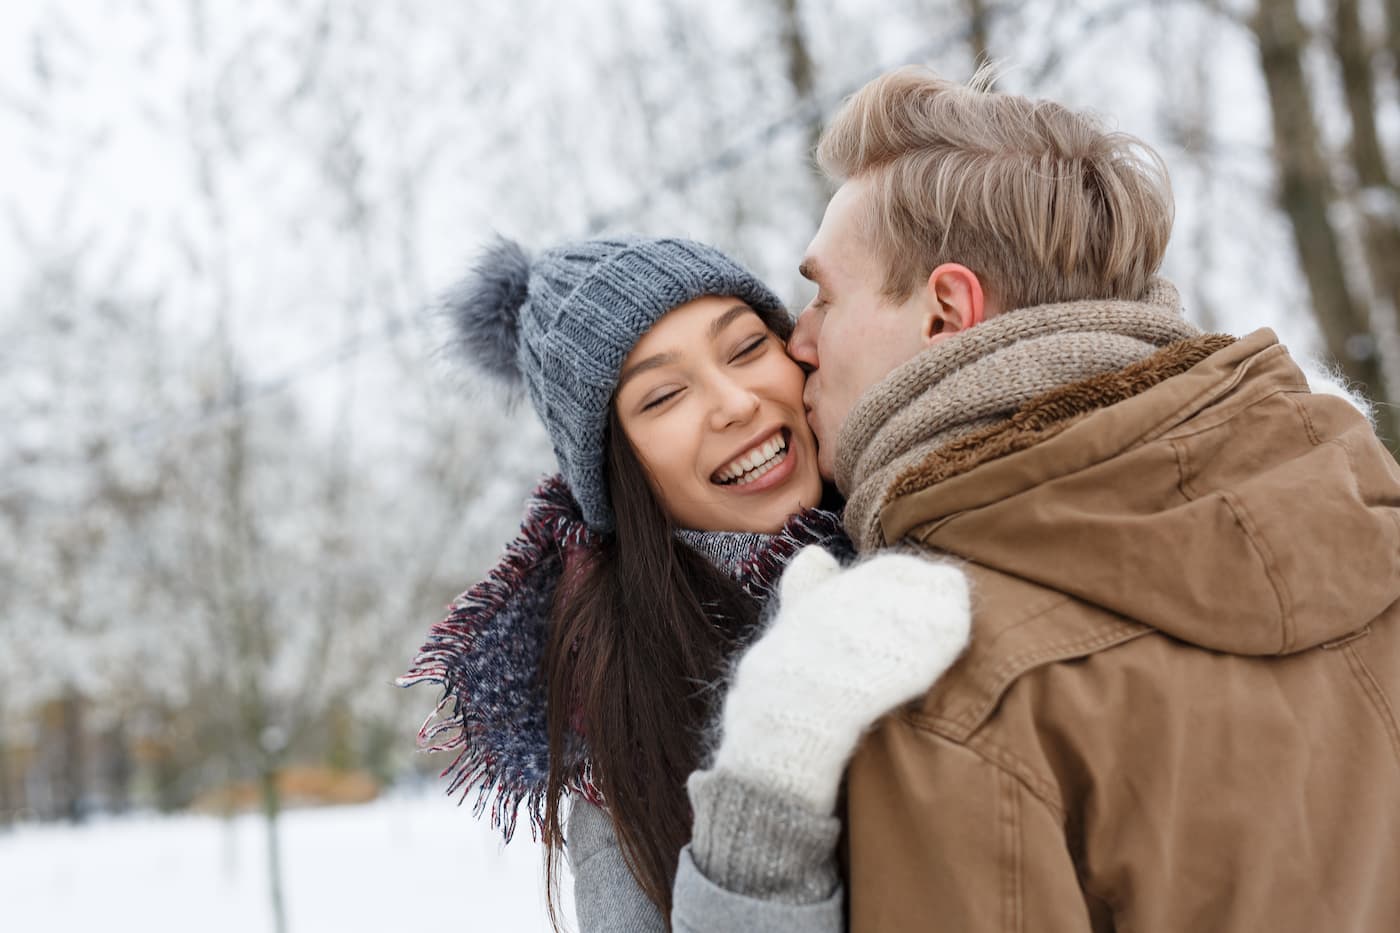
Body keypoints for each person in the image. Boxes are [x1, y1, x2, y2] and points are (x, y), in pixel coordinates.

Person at [770, 65, 1400, 931]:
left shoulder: (944, 682)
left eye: (822, 296)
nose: (797, 342)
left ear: (947, 310)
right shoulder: (1370, 523)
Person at [399, 235, 972, 932]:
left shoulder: (945, 511)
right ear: (616, 473)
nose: (734, 402)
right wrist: (768, 784)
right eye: (665, 395)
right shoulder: (622, 729)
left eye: (745, 348)